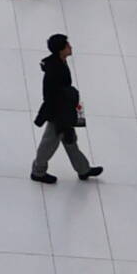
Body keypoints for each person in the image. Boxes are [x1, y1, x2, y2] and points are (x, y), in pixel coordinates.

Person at [30, 34, 102, 182]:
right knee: (49, 143)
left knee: (70, 140)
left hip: (64, 110)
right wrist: (60, 115)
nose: (70, 47)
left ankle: (83, 169)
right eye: (67, 45)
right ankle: (38, 171)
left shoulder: (60, 63)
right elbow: (50, 96)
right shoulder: (54, 70)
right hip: (58, 113)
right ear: (60, 50)